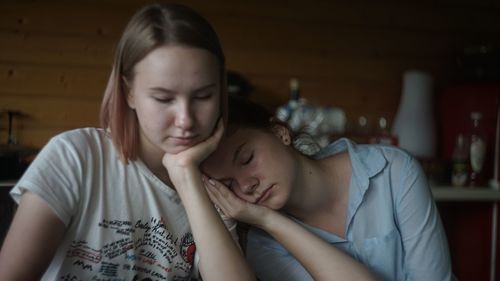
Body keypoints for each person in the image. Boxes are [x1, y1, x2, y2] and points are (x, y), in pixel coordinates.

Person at [0, 4, 256, 281]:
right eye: (163, 99)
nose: (185, 120)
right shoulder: (74, 157)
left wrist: (186, 176)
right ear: (129, 93)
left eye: (203, 96)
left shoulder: (216, 185)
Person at [201, 96, 454, 281]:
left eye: (246, 159)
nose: (246, 186)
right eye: (228, 185)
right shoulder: (264, 247)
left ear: (280, 133)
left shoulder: (393, 170)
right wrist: (269, 220)